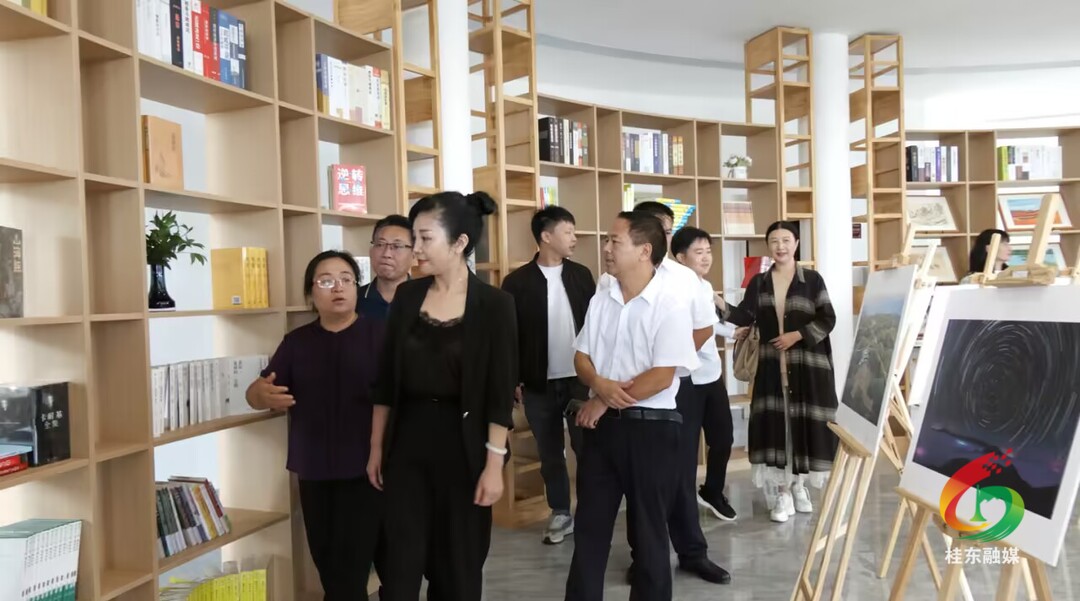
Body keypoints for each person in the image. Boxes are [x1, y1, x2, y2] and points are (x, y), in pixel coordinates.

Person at [367, 190, 517, 601]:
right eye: (414, 238)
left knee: (458, 567)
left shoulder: (495, 305)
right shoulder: (407, 297)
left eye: (425, 238)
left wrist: (493, 466)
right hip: (407, 445)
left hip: (464, 449)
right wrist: (377, 447)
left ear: (459, 242)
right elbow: (387, 381)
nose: (414, 249)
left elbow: (500, 393)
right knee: (400, 565)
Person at [565, 211, 700, 601]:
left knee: (648, 534)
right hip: (603, 432)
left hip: (652, 430)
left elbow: (662, 376)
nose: (606, 248)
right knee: (589, 528)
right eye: (607, 240)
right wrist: (599, 386)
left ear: (644, 250)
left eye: (615, 241)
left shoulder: (669, 303)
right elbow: (581, 357)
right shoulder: (602, 297)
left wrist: (602, 400)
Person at [599, 201, 729, 585]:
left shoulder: (684, 278)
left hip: (678, 385)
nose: (663, 236)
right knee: (642, 482)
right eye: (657, 227)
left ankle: (692, 552)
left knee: (681, 473)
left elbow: (703, 328)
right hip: (631, 390)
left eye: (668, 229)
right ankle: (645, 558)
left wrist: (669, 361)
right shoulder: (613, 278)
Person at [244, 250, 386, 600]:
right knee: (327, 563)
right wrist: (260, 394)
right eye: (326, 281)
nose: (338, 287)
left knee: (351, 569)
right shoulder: (297, 342)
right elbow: (258, 392)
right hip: (314, 469)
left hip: (367, 469)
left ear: (356, 288)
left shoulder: (381, 336)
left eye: (346, 279)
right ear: (311, 293)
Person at [718, 220, 839, 523]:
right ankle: (783, 493)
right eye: (774, 241)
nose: (780, 246)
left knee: (803, 428)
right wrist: (718, 302)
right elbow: (744, 315)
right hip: (772, 368)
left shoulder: (812, 280)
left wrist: (796, 335)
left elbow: (828, 318)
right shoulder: (759, 282)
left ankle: (799, 486)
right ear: (768, 246)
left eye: (786, 240)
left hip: (808, 370)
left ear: (796, 244)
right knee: (778, 429)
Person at [501, 206, 595, 545]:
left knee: (587, 448)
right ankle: (560, 512)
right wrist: (513, 378)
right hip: (537, 384)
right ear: (546, 236)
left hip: (581, 380)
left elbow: (596, 326)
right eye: (568, 231)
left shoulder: (581, 275)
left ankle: (591, 510)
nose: (574, 238)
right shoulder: (516, 282)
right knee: (550, 453)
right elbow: (508, 336)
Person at [670, 226, 738, 521]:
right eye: (698, 252)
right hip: (687, 380)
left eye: (708, 251)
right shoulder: (674, 288)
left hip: (712, 375)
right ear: (680, 257)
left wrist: (733, 332)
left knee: (723, 439)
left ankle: (712, 490)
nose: (706, 257)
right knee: (686, 448)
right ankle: (683, 505)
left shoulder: (705, 286)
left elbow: (708, 324)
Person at [358, 214, 414, 320]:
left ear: (414, 254)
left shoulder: (428, 299)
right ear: (370, 251)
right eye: (380, 244)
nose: (386, 254)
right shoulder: (353, 300)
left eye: (397, 246)